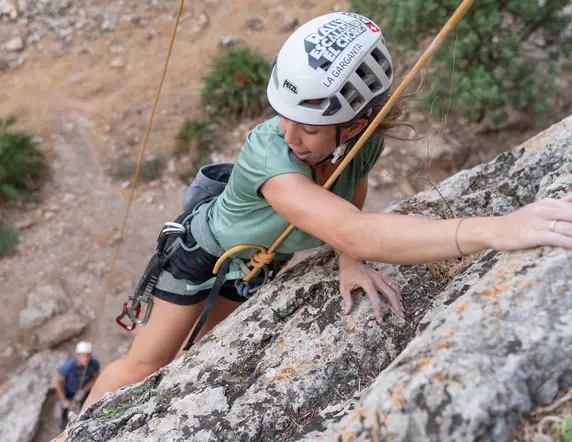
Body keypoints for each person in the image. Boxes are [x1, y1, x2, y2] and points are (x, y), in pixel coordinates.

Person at [84, 12, 572, 409]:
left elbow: (348, 195)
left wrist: (347, 258)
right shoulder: (269, 156)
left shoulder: (360, 145)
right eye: (286, 118)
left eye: (310, 129)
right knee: (147, 365)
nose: (293, 136)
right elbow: (354, 228)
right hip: (200, 259)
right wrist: (495, 230)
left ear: (355, 125)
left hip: (257, 265)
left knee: (194, 354)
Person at [56, 341, 100, 431]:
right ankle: (63, 426)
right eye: (83, 356)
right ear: (77, 356)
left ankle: (82, 426)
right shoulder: (68, 367)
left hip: (83, 390)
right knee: (65, 408)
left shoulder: (94, 364)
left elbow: (95, 378)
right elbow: (58, 383)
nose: (86, 358)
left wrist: (85, 390)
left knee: (85, 408)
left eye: (88, 355)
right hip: (68, 390)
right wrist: (64, 400)